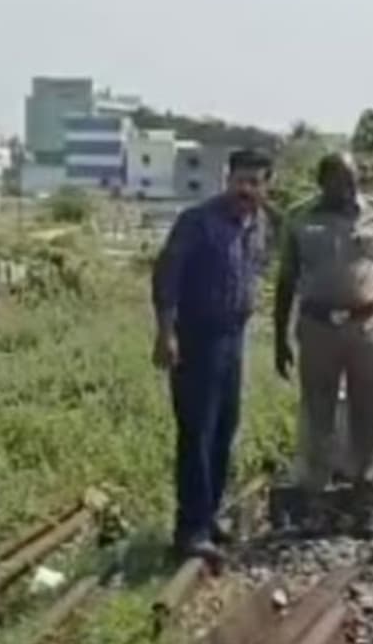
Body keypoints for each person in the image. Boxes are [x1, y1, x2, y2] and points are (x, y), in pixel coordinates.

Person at [274, 152, 373, 531]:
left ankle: (365, 498)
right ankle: (315, 500)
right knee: (318, 412)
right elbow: (286, 281)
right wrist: (280, 338)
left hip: (367, 324)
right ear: (323, 184)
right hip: (317, 326)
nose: (350, 191)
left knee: (369, 409)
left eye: (354, 181)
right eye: (341, 183)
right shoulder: (300, 218)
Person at [151, 149, 274, 562]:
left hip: (233, 337)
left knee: (225, 429)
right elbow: (167, 277)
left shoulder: (259, 225)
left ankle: (210, 516)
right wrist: (166, 333)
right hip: (195, 338)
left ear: (265, 186)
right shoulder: (197, 221)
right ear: (227, 179)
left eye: (255, 182)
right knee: (197, 433)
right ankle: (189, 530)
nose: (247, 189)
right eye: (241, 180)